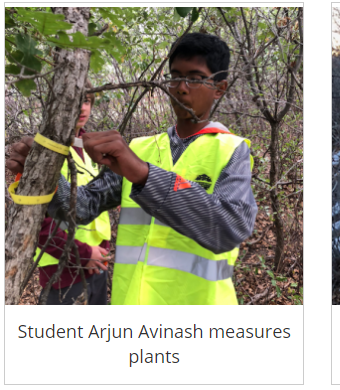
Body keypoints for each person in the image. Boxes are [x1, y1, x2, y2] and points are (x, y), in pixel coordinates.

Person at [9, 33, 257, 305]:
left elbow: (229, 227)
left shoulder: (231, 150)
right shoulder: (141, 148)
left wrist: (144, 175)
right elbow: (83, 207)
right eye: (175, 77)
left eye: (195, 78)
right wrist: (43, 174)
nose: (181, 88)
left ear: (219, 88)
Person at [8, 81, 111, 305]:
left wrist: (101, 251)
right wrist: (84, 255)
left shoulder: (89, 146)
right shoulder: (43, 151)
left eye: (86, 100)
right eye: (75, 100)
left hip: (98, 265)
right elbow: (36, 222)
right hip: (63, 272)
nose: (82, 108)